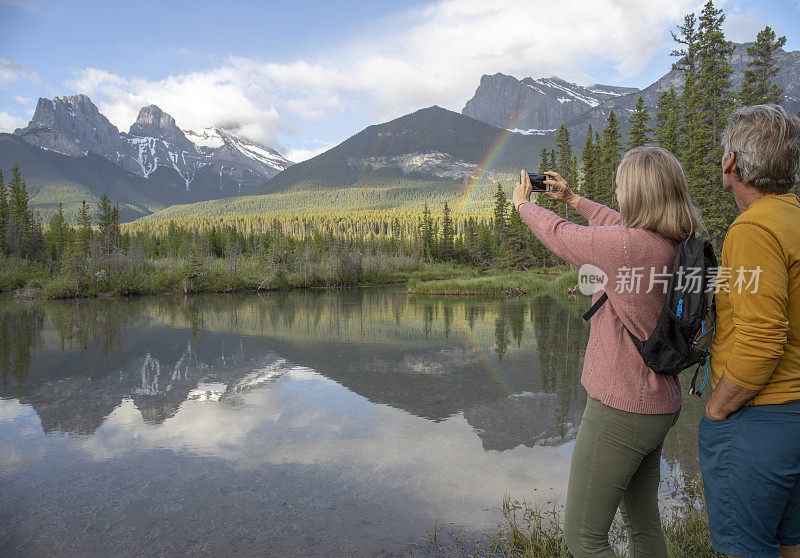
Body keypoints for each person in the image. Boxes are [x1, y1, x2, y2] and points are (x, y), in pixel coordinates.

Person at [512, 146, 704, 558]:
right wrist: (573, 200)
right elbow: (615, 226)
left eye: (619, 186)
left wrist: (524, 206)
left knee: (584, 539)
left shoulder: (630, 248)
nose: (616, 193)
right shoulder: (670, 242)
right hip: (658, 404)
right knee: (644, 526)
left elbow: (564, 237)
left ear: (637, 194)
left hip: (622, 410)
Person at [699, 104, 800, 558]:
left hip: (759, 420)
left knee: (743, 549)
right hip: (792, 419)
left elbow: (763, 339)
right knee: (790, 544)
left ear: (732, 163)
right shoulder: (793, 217)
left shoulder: (754, 227)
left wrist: (717, 411)